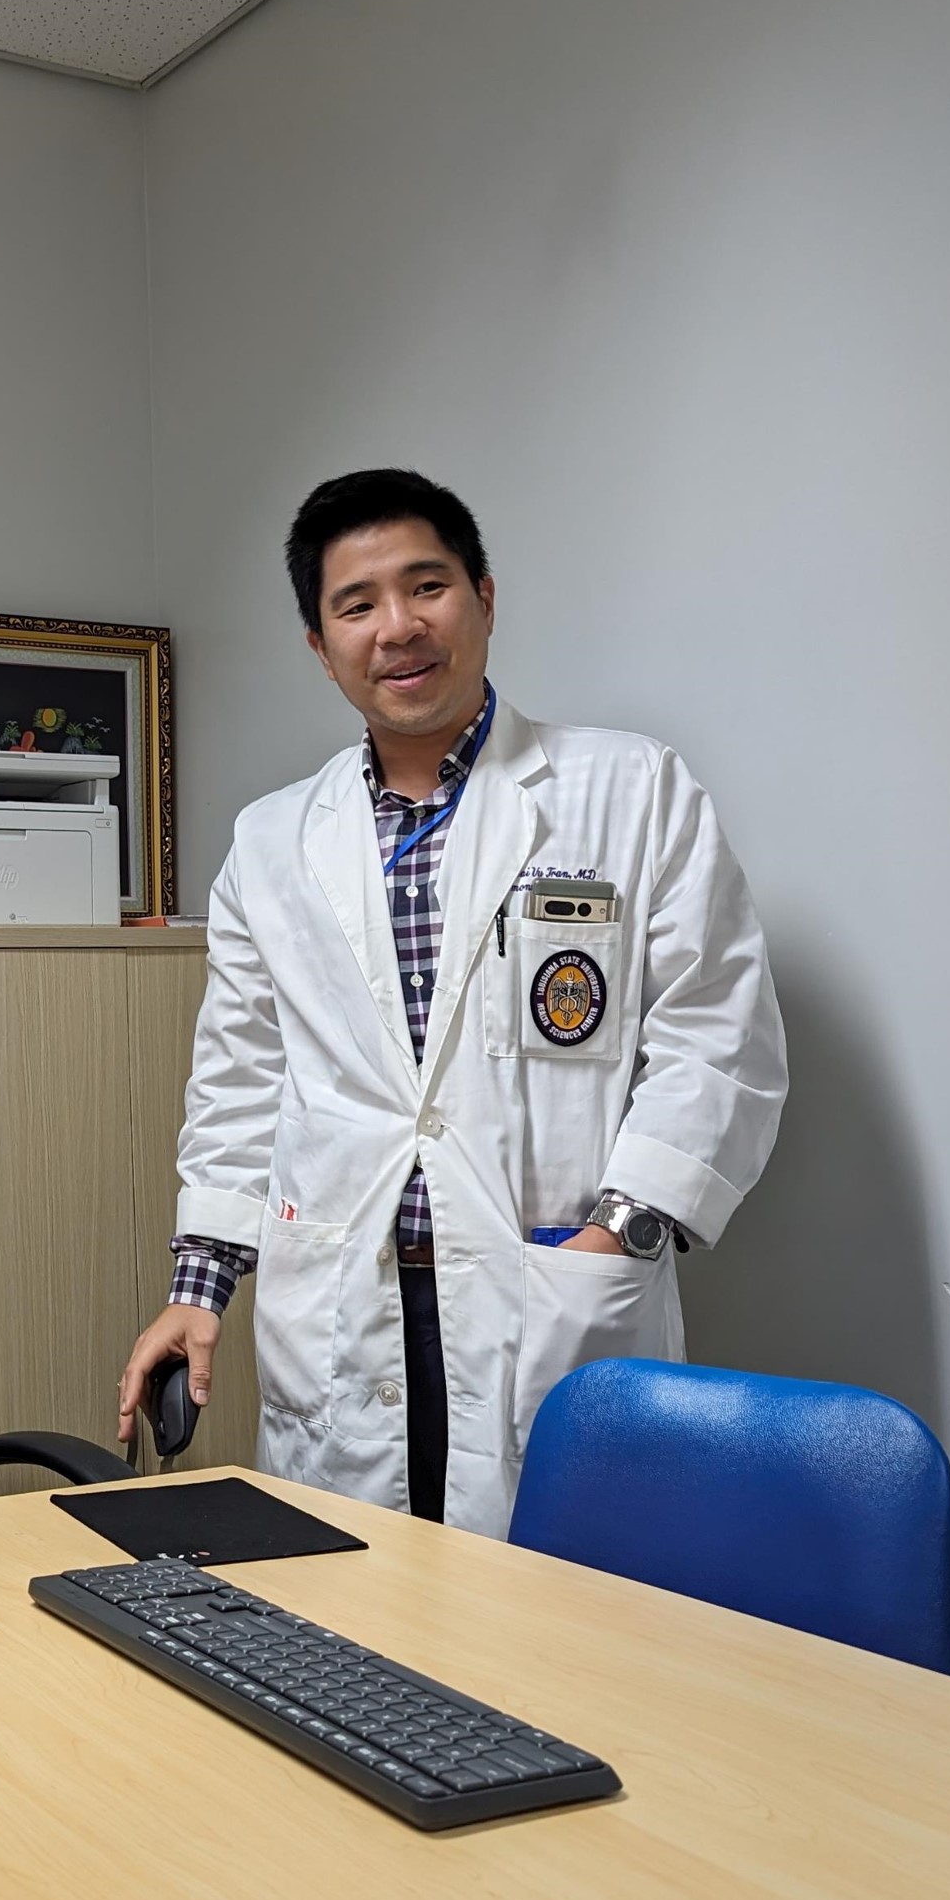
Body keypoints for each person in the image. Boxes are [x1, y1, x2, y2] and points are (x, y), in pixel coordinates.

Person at [117, 470, 787, 1536]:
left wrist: (618, 1233)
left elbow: (719, 1038)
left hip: (548, 1286)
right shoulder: (272, 840)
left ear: (480, 593)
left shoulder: (627, 788)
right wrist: (199, 1287)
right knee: (359, 1623)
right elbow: (242, 1076)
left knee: (560, 1631)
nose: (397, 627)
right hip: (349, 1293)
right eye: (356, 604)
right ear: (319, 642)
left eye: (425, 586)